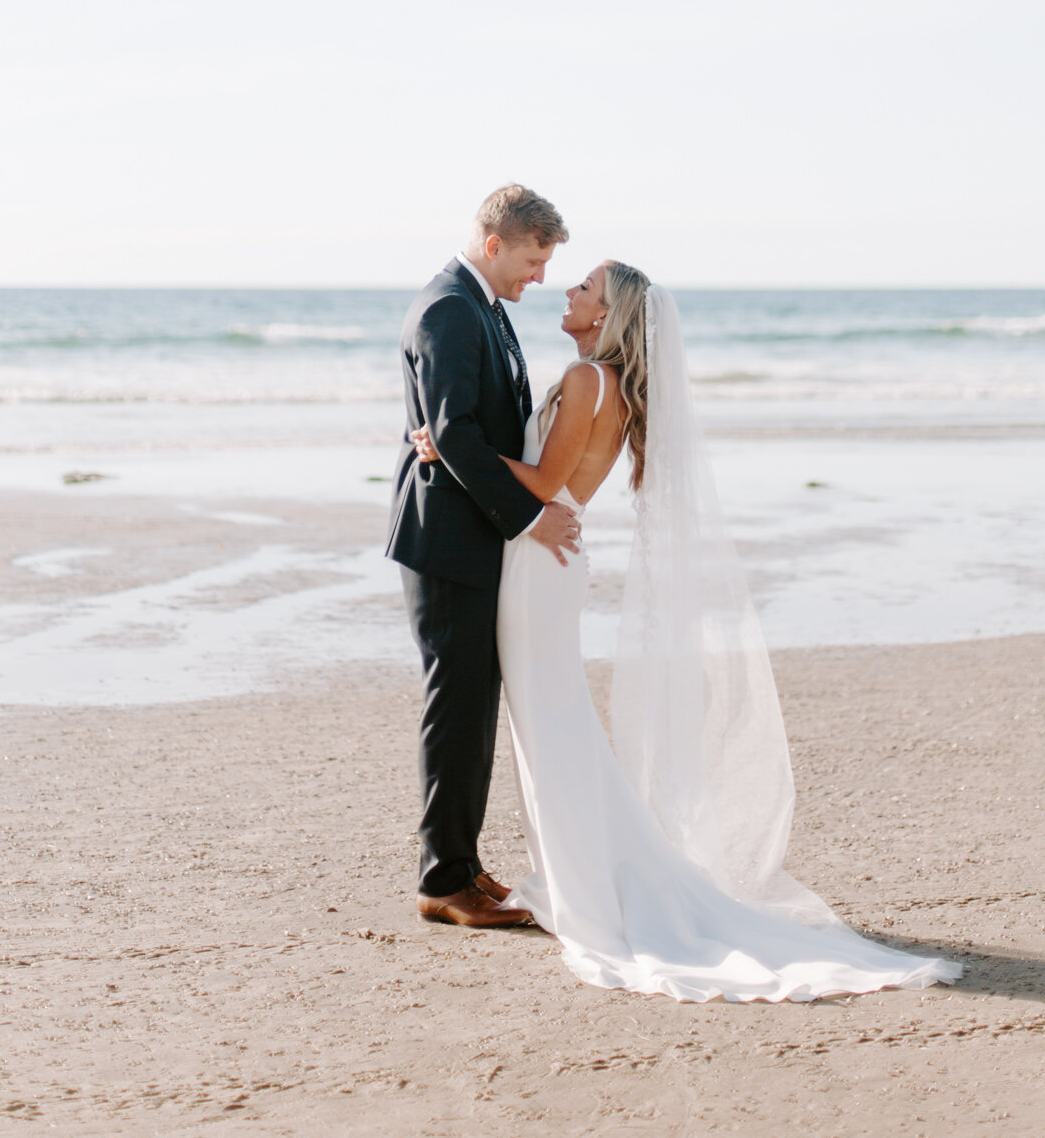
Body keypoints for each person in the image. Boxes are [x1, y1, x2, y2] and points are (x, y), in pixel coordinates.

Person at [411, 258, 963, 1002]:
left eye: (584, 288)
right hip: (540, 564)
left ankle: (589, 890)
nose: (567, 290)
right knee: (549, 723)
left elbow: (543, 488)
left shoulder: (586, 383)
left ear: (606, 316)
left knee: (550, 726)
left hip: (536, 569)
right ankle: (577, 877)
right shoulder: (602, 384)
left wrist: (451, 448)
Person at [388, 184, 580, 928]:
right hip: (445, 539)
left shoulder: (485, 309)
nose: (538, 277)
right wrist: (530, 515)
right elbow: (454, 432)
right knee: (458, 707)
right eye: (532, 261)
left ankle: (462, 864)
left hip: (471, 532)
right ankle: (443, 881)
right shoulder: (448, 307)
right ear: (495, 243)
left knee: (473, 704)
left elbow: (467, 429)